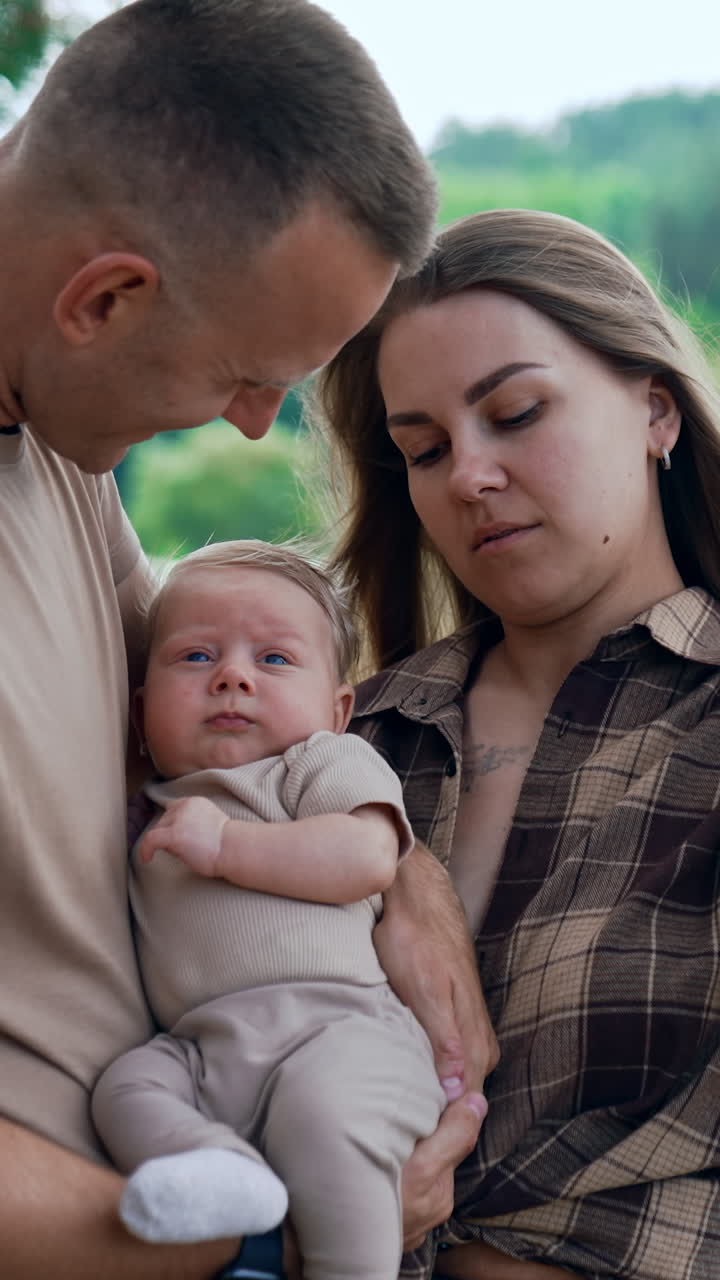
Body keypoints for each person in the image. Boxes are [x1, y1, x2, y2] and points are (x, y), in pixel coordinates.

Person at [0, 5, 495, 1278]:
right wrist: (239, 1236)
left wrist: (399, 874)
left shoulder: (58, 455)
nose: (254, 425)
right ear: (104, 299)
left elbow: (205, 706)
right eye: (241, 371)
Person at [316, 207, 720, 1279]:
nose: (468, 477)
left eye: (517, 412)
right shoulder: (346, 739)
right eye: (425, 448)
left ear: (656, 409)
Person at [92, 538, 448, 1280]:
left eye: (275, 660)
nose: (232, 678)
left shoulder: (316, 763)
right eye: (194, 657)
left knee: (323, 1119)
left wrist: (226, 846)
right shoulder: (145, 806)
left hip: (341, 1032)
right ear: (139, 711)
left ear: (338, 707)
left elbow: (366, 858)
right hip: (204, 1049)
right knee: (123, 1090)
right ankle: (223, 1171)